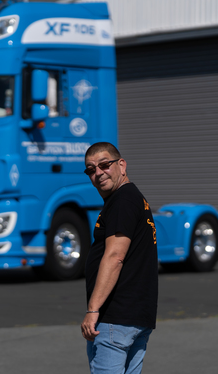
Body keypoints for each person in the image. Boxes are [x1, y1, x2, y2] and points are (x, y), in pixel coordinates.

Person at [81, 142, 158, 374]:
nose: (98, 173)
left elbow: (115, 256)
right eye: (91, 169)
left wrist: (93, 310)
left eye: (104, 165)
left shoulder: (122, 201)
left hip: (116, 318)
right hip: (136, 316)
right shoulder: (134, 198)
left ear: (121, 165)